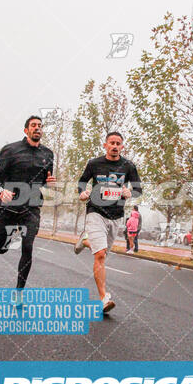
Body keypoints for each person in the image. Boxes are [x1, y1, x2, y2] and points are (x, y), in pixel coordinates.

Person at [74, 132, 142, 313]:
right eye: (111, 143)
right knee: (101, 255)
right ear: (105, 145)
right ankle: (104, 298)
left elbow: (138, 189)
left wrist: (130, 193)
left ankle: (85, 240)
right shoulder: (94, 164)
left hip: (116, 215)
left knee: (102, 251)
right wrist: (82, 192)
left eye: (118, 143)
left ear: (122, 147)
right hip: (95, 212)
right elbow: (81, 182)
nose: (114, 146)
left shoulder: (128, 166)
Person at [0, 116, 55, 296]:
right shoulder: (10, 150)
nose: (37, 128)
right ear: (26, 130)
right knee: (2, 248)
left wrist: (48, 182)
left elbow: (45, 181)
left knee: (27, 247)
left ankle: (19, 293)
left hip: (31, 207)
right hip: (7, 206)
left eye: (40, 126)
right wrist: (2, 190)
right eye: (33, 125)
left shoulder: (48, 154)